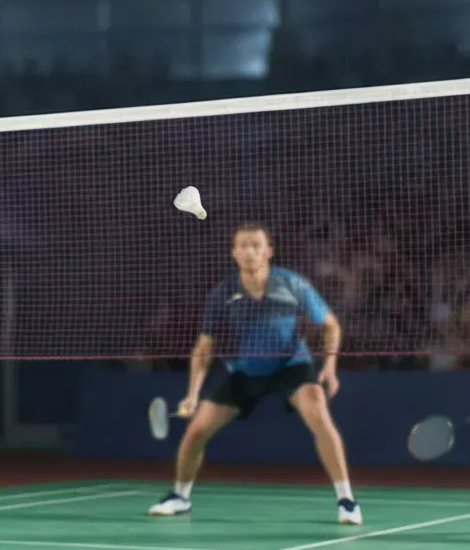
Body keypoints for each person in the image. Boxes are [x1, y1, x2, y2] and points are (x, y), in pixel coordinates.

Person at [148, 222, 361, 525]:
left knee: (319, 415)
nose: (249, 251)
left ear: (268, 251)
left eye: (256, 245)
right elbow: (204, 348)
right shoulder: (221, 294)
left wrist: (329, 367)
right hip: (242, 370)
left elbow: (331, 324)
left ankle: (347, 500)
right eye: (243, 245)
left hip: (290, 364)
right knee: (196, 431)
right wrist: (193, 394)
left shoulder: (292, 284)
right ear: (234, 253)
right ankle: (180, 496)